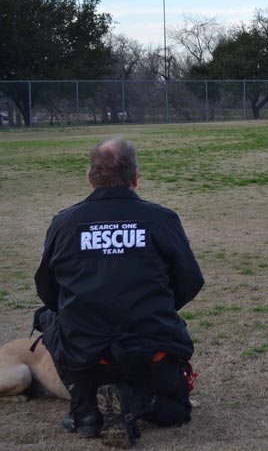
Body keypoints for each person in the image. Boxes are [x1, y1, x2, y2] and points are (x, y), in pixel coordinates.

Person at [34, 137, 204, 444]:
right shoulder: (162, 219)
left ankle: (86, 411)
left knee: (47, 316)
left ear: (90, 178)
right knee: (175, 411)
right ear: (135, 178)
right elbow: (190, 281)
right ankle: (141, 402)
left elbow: (47, 290)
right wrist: (154, 307)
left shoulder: (64, 223)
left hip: (87, 354)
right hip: (150, 351)